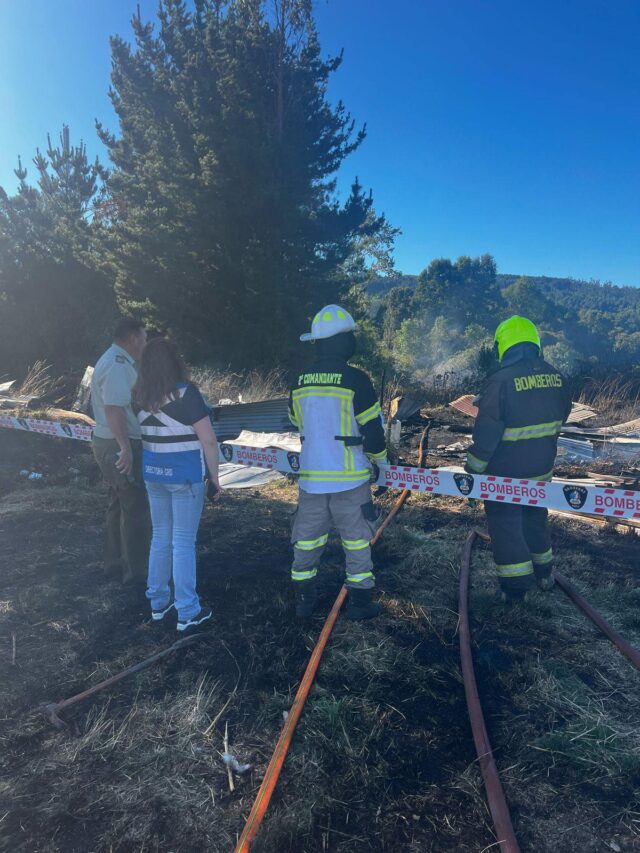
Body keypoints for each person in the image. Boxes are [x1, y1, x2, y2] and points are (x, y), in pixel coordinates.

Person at [288, 305, 388, 620]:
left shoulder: (299, 380)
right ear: (343, 341)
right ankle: (360, 603)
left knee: (306, 539)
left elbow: (295, 420)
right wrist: (382, 464)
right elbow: (372, 432)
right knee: (357, 540)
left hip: (311, 479)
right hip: (350, 479)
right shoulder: (356, 379)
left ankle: (304, 600)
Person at [465, 316, 572, 603]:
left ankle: (515, 589)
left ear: (504, 346)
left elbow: (486, 435)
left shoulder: (500, 381)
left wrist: (471, 473)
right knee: (535, 518)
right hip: (541, 470)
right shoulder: (556, 376)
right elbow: (561, 414)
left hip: (505, 474)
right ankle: (544, 574)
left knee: (506, 523)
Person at [135, 338, 221, 632]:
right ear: (175, 361)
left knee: (160, 538)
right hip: (185, 477)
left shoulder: (140, 395)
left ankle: (159, 603)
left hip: (153, 474)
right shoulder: (187, 394)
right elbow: (208, 439)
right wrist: (215, 477)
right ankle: (188, 611)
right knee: (184, 542)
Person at [91, 318, 151, 585]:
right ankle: (138, 573)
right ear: (133, 338)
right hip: (118, 443)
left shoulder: (116, 360)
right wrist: (126, 448)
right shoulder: (117, 364)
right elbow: (114, 409)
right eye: (145, 338)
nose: (146, 343)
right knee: (135, 506)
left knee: (118, 503)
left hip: (111, 441)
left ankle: (114, 563)